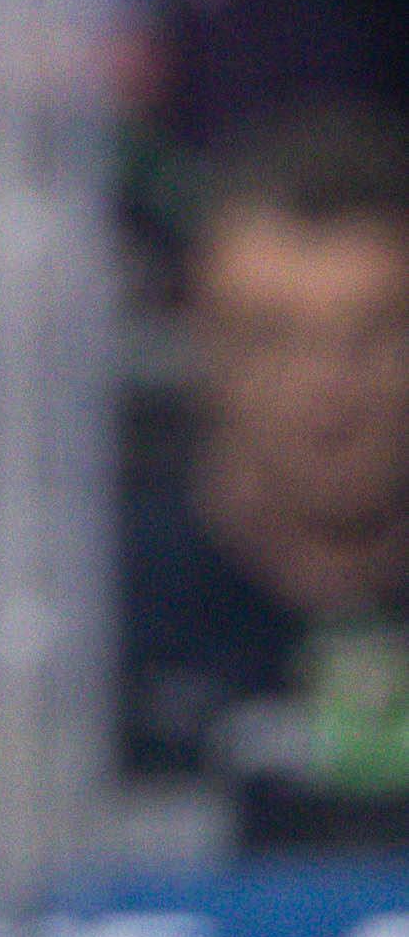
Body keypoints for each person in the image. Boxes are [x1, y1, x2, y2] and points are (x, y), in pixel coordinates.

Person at [128, 105, 409, 851]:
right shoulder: (100, 618)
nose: (329, 391)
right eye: (272, 339)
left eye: (377, 334)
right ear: (200, 343)